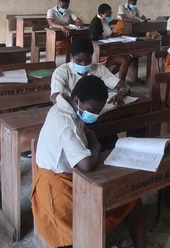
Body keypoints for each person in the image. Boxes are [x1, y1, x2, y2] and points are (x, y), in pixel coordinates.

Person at [31, 75, 146, 248]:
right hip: (56, 188)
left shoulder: (69, 107)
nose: (96, 114)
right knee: (79, 227)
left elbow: (83, 131)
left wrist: (89, 135)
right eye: (93, 110)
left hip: (71, 177)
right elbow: (86, 164)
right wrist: (95, 145)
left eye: (99, 110)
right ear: (76, 100)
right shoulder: (64, 120)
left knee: (132, 196)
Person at [50, 37, 131, 105]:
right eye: (79, 61)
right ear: (71, 56)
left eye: (88, 61)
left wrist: (120, 95)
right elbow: (56, 98)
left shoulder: (98, 69)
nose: (83, 65)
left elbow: (125, 86)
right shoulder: (61, 72)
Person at [89, 3, 132, 82]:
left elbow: (107, 32)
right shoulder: (96, 22)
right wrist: (104, 38)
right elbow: (93, 37)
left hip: (109, 48)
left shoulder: (104, 21)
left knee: (129, 57)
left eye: (110, 14)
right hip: (101, 52)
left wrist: (114, 35)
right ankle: (113, 80)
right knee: (125, 60)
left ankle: (109, 78)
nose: (110, 16)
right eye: (108, 15)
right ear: (101, 14)